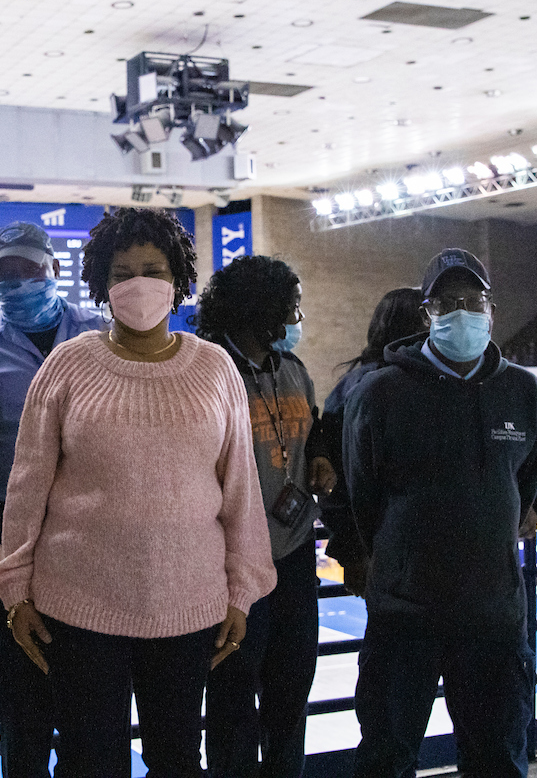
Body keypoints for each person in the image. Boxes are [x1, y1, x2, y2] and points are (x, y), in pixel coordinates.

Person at [0, 207, 277, 778]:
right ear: (101, 283)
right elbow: (27, 484)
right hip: (80, 609)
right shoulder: (68, 365)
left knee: (176, 761)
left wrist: (242, 590)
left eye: (153, 269)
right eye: (122, 273)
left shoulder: (216, 368)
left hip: (188, 610)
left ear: (178, 279)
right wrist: (14, 591)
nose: (139, 284)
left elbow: (240, 489)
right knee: (90, 763)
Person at [343, 248, 537, 778]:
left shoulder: (524, 391)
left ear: (492, 310)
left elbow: (523, 483)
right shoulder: (381, 392)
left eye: (473, 300)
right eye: (447, 301)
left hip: (494, 617)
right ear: (427, 313)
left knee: (497, 757)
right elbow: (362, 494)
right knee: (387, 757)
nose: (462, 310)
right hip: (405, 613)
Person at [0, 220, 104, 777]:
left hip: (92, 537)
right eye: (5, 274)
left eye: (29, 270)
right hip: (12, 536)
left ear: (54, 270)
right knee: (21, 698)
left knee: (90, 699)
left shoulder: (101, 335)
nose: (17, 283)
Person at [194, 255, 336, 778]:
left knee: (292, 691)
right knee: (232, 697)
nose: (298, 318)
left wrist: (320, 453)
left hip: (295, 554)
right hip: (230, 559)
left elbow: (312, 429)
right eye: (292, 306)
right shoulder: (208, 371)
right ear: (263, 309)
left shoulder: (293, 370)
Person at [319, 287, 426, 597]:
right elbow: (338, 481)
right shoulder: (363, 389)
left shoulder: (423, 383)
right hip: (384, 549)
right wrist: (353, 552)